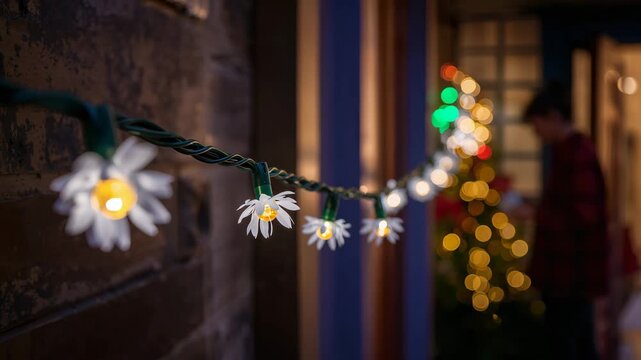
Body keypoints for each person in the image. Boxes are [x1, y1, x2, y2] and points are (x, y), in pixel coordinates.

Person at [523, 83, 608, 359]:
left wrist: (537, 214)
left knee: (569, 343)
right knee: (574, 341)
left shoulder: (576, 152)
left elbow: (582, 215)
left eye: (537, 124)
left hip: (571, 272)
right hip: (567, 273)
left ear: (553, 117)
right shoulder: (567, 151)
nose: (536, 132)